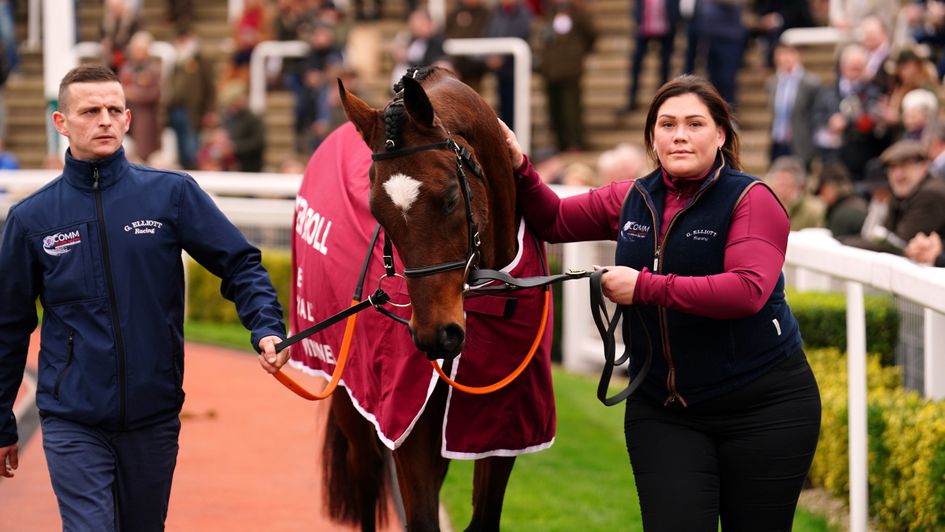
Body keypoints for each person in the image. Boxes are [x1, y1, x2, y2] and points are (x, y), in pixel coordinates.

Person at [500, 74, 821, 530]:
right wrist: (519, 166)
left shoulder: (752, 198)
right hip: (663, 409)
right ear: (653, 136)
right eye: (667, 124)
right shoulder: (632, 198)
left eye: (694, 123)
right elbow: (552, 220)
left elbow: (747, 290)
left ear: (720, 134)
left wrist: (644, 286)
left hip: (764, 409)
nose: (680, 135)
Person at [0, 64, 289, 530]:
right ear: (61, 122)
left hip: (153, 416)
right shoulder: (32, 219)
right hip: (72, 419)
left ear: (129, 119)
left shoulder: (170, 195)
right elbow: (7, 326)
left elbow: (239, 263)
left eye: (115, 110)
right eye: (91, 111)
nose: (105, 120)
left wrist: (267, 326)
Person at [847, 139, 945, 253]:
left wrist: (850, 244)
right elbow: (886, 234)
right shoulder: (902, 192)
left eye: (904, 167)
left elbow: (900, 244)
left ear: (923, 167)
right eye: (893, 168)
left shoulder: (931, 195)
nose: (898, 175)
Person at [537, 0, 596, 153]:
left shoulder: (577, 13)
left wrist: (577, 54)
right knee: (554, 109)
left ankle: (575, 142)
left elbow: (591, 35)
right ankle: (560, 143)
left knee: (572, 110)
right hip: (550, 70)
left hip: (570, 70)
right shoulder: (548, 12)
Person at [766, 40, 822, 167]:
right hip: (778, 141)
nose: (785, 58)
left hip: (800, 142)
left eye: (789, 54)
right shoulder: (773, 82)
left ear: (797, 55)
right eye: (781, 54)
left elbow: (815, 114)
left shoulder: (811, 82)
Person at [763, 155, 825, 230]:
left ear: (797, 186)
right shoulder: (766, 207)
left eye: (784, 185)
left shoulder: (813, 210)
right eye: (777, 183)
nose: (778, 189)